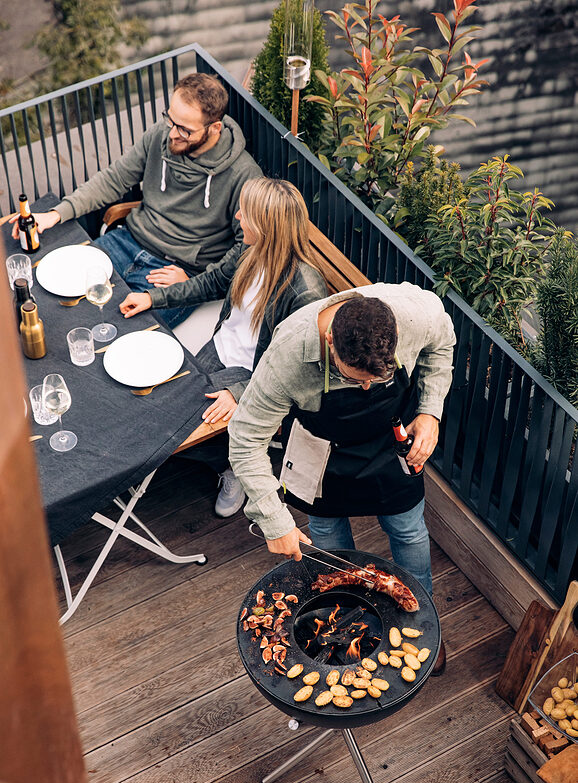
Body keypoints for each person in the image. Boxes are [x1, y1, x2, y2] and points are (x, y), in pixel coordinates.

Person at [228, 286, 456, 674]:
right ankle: (348, 624)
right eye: (357, 379)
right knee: (329, 541)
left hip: (390, 441)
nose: (367, 388)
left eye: (376, 379)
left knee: (408, 530)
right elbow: (245, 440)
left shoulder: (417, 313)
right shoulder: (287, 355)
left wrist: (430, 411)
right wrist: (275, 521)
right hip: (319, 452)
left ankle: (423, 626)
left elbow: (443, 343)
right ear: (331, 340)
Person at [119, 177, 328, 517]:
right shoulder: (249, 250)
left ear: (264, 225)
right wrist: (152, 297)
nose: (238, 218)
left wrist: (241, 391)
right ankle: (229, 453)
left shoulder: (305, 291)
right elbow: (212, 282)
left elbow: (299, 371)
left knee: (170, 422)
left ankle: (239, 464)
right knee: (157, 407)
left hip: (255, 375)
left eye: (245, 213)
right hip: (217, 350)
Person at [11, 73, 261, 298]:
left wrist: (195, 282)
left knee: (120, 324)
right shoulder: (161, 135)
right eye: (170, 120)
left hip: (178, 270)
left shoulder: (244, 175)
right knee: (56, 288)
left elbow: (246, 248)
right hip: (126, 241)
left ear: (215, 128)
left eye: (184, 130)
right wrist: (55, 214)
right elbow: (115, 178)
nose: (172, 134)